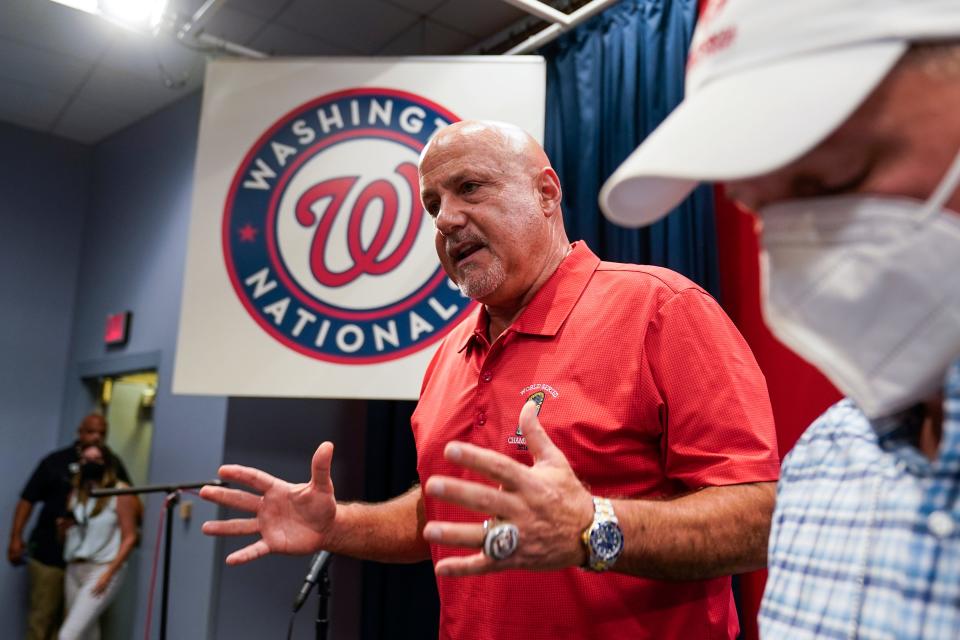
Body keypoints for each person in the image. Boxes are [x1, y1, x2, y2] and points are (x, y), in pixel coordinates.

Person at [201, 120, 780, 639]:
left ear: (546, 193)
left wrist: (593, 528)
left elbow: (759, 520)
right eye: (432, 204)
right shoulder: (448, 354)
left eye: (469, 188)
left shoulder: (662, 309)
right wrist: (335, 526)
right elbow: (444, 512)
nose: (446, 219)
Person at [599, 1, 960, 637]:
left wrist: (593, 528)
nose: (803, 258)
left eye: (827, 180)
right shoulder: (826, 466)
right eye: (759, 211)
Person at [8, 415, 130, 640]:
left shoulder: (112, 467)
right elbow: (27, 499)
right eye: (92, 432)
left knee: (76, 629)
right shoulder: (56, 463)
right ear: (80, 432)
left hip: (92, 560)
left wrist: (109, 570)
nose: (97, 438)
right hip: (51, 554)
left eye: (102, 433)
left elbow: (131, 512)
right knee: (43, 619)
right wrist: (15, 537)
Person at [57, 443, 138, 640]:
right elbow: (66, 536)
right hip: (74, 567)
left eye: (96, 459)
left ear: (107, 463)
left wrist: (109, 573)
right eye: (85, 460)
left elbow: (130, 537)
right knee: (88, 632)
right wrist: (62, 527)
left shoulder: (120, 491)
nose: (90, 464)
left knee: (67, 635)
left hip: (101, 568)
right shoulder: (77, 492)